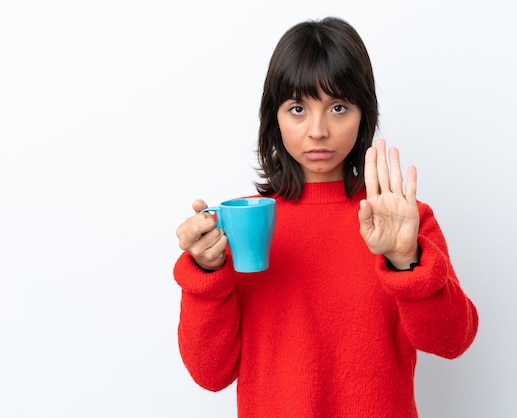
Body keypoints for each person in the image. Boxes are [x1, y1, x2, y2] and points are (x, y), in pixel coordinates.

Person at [174, 17, 478, 417]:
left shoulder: (405, 219)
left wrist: (406, 260)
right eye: (297, 108)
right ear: (274, 118)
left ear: (363, 114)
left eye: (338, 107)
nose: (318, 131)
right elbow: (210, 373)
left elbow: (452, 340)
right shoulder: (239, 224)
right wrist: (204, 274)